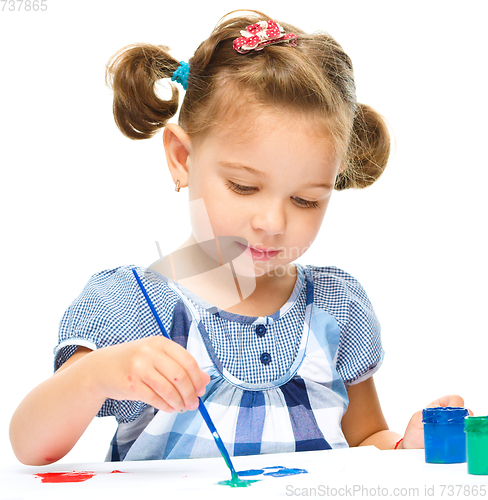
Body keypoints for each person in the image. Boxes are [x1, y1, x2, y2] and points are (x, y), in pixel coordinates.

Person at [9, 10, 468, 466]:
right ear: (182, 158)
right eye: (244, 187)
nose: (272, 221)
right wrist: (95, 376)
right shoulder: (129, 305)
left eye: (306, 200)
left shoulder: (336, 306)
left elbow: (366, 436)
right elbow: (29, 446)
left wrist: (404, 448)